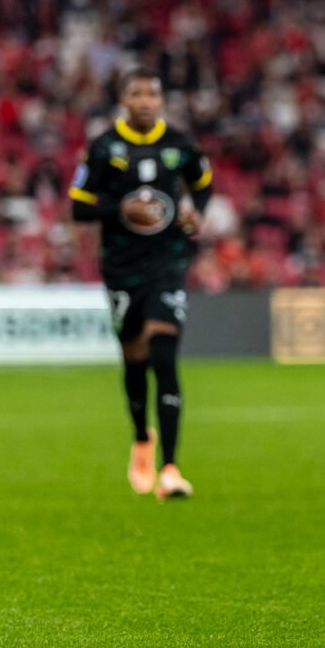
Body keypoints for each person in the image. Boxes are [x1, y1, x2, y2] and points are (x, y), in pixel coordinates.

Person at [70, 72, 213, 499]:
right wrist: (121, 209)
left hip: (168, 261)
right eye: (138, 94)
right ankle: (141, 439)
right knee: (134, 357)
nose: (147, 101)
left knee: (163, 352)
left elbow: (204, 185)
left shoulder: (181, 144)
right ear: (124, 100)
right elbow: (79, 209)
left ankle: (170, 468)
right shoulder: (103, 148)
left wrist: (195, 212)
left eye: (154, 93)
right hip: (121, 266)